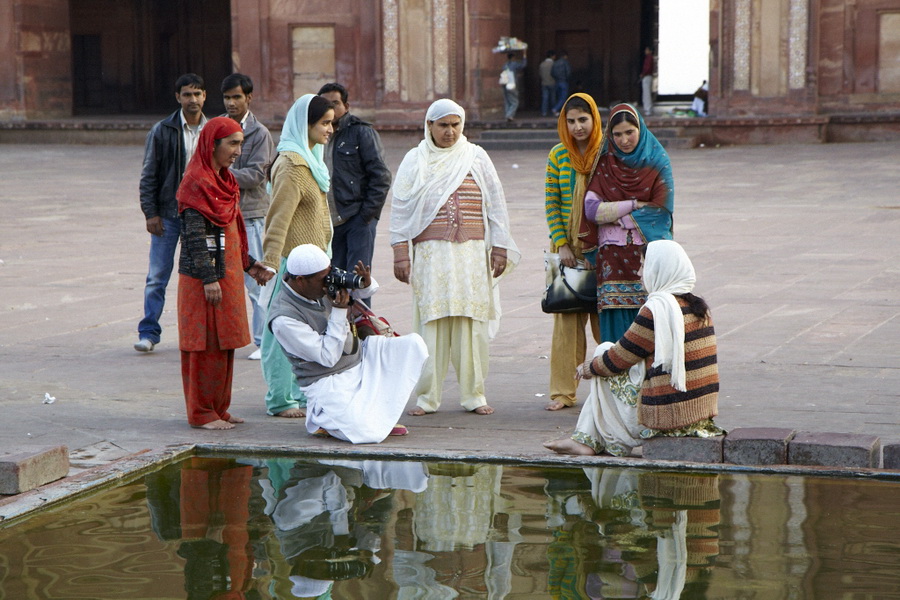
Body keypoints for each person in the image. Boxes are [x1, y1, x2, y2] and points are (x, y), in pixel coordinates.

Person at [391, 98, 520, 417]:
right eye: (443, 125)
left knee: (471, 323)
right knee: (430, 323)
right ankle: (427, 397)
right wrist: (400, 253)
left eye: (455, 125)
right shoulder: (414, 159)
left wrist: (500, 246)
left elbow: (496, 203)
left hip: (472, 255)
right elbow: (400, 207)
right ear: (429, 126)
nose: (449, 132)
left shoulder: (476, 156)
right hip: (431, 255)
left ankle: (474, 394)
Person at [544, 240, 723, 456]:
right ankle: (584, 439)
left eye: (643, 265)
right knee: (608, 356)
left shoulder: (657, 309)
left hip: (666, 416)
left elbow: (620, 357)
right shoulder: (698, 306)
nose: (638, 272)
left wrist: (587, 368)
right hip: (699, 415)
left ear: (658, 269)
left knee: (603, 353)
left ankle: (586, 440)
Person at [268, 244, 428, 443]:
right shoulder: (284, 318)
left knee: (414, 346)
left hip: (359, 360)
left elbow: (364, 291)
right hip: (328, 381)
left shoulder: (319, 280)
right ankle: (324, 419)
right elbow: (327, 357)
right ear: (300, 280)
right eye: (322, 280)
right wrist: (338, 312)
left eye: (329, 275)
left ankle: (375, 416)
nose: (328, 283)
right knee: (366, 434)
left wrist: (365, 283)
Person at [175, 116, 269, 430]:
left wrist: (249, 264)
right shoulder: (196, 181)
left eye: (241, 143)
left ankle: (219, 407)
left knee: (224, 343)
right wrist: (208, 278)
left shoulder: (225, 181)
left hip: (225, 275)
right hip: (205, 279)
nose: (238, 151)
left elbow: (232, 232)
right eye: (232, 143)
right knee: (204, 345)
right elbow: (193, 237)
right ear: (212, 144)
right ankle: (201, 413)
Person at [259, 94, 335, 420]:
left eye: (332, 122)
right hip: (292, 265)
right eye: (324, 123)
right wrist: (271, 263)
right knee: (281, 333)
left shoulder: (312, 159)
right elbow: (278, 219)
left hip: (316, 263)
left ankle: (304, 393)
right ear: (305, 125)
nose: (330, 129)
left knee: (310, 332)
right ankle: (280, 398)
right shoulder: (291, 164)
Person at [581, 102, 674, 343]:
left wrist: (614, 215)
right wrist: (634, 205)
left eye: (629, 132)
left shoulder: (657, 161)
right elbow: (592, 211)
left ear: (640, 130)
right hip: (611, 259)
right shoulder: (605, 164)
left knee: (649, 324)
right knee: (615, 333)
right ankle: (618, 380)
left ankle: (648, 381)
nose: (624, 140)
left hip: (646, 258)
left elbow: (661, 212)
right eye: (617, 134)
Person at [135, 73, 208, 352]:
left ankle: (199, 334)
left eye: (197, 94)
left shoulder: (213, 130)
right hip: (168, 213)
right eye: (187, 94)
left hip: (201, 215)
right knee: (157, 276)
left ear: (205, 96)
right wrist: (150, 213)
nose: (193, 99)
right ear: (178, 97)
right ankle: (149, 333)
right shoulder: (163, 130)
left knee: (203, 276)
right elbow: (149, 175)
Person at [543, 93, 603, 411]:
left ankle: (615, 388)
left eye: (583, 119)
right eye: (571, 121)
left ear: (594, 119)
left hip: (603, 251)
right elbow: (552, 202)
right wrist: (562, 243)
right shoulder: (558, 155)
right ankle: (563, 392)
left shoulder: (606, 152)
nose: (578, 126)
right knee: (566, 323)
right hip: (567, 251)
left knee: (605, 321)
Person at [317, 82, 392, 300]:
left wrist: (367, 216)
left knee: (358, 282)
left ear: (346, 105)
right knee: (333, 280)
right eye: (324, 103)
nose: (330, 108)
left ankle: (363, 331)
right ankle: (339, 332)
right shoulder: (317, 134)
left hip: (357, 218)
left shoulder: (361, 133)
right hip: (330, 221)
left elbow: (381, 177)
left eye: (335, 103)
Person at [221, 73, 276, 360]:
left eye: (237, 97)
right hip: (221, 214)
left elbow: (256, 174)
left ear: (249, 98)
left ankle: (262, 341)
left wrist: (221, 174)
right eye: (227, 98)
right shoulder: (216, 128)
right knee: (221, 281)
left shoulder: (260, 133)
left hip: (251, 214)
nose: (231, 103)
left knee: (256, 282)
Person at [500, 51, 527, 121]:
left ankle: (507, 114)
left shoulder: (505, 65)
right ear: (513, 57)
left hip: (504, 83)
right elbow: (523, 65)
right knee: (515, 101)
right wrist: (524, 55)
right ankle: (509, 115)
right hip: (511, 84)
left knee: (507, 101)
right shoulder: (514, 64)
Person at [550, 51, 572, 116]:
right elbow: (568, 72)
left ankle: (560, 111)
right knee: (563, 97)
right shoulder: (565, 63)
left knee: (558, 97)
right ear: (565, 56)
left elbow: (552, 73)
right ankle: (555, 109)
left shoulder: (555, 63)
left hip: (557, 82)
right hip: (563, 81)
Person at [539, 50, 556, 117]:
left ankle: (544, 112)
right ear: (552, 56)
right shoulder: (553, 64)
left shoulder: (542, 64)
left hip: (544, 83)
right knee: (553, 98)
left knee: (545, 98)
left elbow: (540, 73)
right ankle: (553, 111)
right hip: (552, 82)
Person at [640, 47, 655, 116]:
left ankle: (648, 109)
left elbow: (647, 68)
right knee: (646, 93)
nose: (645, 51)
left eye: (646, 50)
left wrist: (643, 74)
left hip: (647, 76)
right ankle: (647, 109)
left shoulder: (649, 58)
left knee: (647, 94)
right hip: (647, 76)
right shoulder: (649, 58)